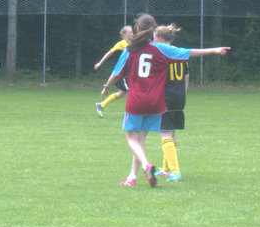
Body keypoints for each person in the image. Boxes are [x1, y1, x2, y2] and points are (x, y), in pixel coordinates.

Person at [108, 14, 230, 187]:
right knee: (143, 139)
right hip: (157, 103)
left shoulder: (131, 50)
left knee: (133, 139)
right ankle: (132, 176)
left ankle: (151, 166)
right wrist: (214, 50)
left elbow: (115, 74)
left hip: (139, 101)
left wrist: (106, 86)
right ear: (152, 30)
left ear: (137, 29)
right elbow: (189, 54)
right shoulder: (163, 49)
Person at [153, 24, 189, 182]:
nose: (153, 41)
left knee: (165, 133)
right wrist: (183, 97)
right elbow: (186, 76)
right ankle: (166, 169)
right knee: (171, 132)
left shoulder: (161, 54)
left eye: (154, 38)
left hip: (165, 97)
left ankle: (176, 172)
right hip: (179, 97)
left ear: (161, 39)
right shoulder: (179, 53)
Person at [94, 25, 133, 117]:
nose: (132, 34)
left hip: (129, 73)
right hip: (123, 74)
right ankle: (133, 113)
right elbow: (110, 52)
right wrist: (100, 62)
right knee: (133, 90)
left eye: (132, 32)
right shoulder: (121, 44)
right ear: (124, 35)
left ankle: (101, 105)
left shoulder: (135, 42)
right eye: (130, 32)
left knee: (122, 93)